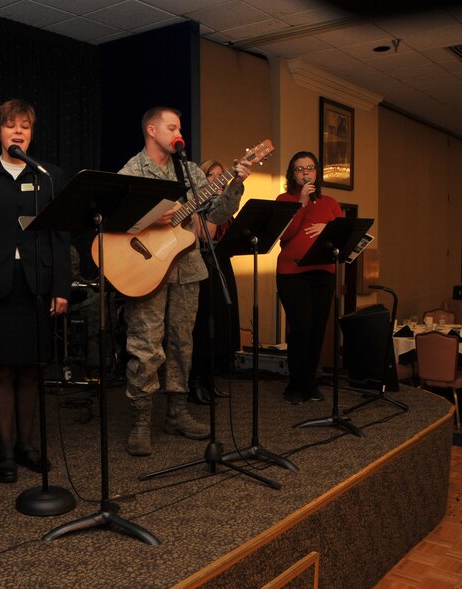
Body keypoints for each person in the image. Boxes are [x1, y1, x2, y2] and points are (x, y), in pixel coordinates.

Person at [118, 107, 251, 457]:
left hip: (187, 269)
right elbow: (115, 220)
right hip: (145, 267)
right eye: (172, 126)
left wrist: (236, 182)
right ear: (151, 129)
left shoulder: (190, 171)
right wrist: (150, 216)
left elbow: (217, 215)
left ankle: (176, 412)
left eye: (179, 126)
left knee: (181, 343)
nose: (179, 131)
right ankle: (141, 420)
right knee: (146, 346)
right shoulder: (133, 169)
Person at [0, 99, 70, 483]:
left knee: (31, 370)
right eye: (11, 125)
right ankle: (5, 452)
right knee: (2, 369)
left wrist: (61, 287)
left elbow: (59, 235)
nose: (18, 131)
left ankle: (27, 446)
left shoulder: (49, 175)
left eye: (25, 125)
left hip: (37, 286)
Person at [276, 151, 343, 405]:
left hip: (324, 273)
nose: (305, 172)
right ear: (292, 175)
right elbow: (286, 234)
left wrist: (328, 228)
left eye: (310, 168)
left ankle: (309, 382)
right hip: (293, 275)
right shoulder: (285, 199)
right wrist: (301, 204)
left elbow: (344, 233)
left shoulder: (330, 203)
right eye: (299, 169)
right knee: (301, 328)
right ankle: (296, 384)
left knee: (317, 330)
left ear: (317, 173)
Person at [187, 159, 241, 404]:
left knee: (219, 322)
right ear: (202, 179)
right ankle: (195, 381)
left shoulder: (225, 206)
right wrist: (211, 202)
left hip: (221, 263)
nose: (219, 180)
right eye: (212, 175)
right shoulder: (198, 204)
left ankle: (210, 379)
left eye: (222, 175)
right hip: (203, 262)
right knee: (202, 324)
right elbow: (202, 233)